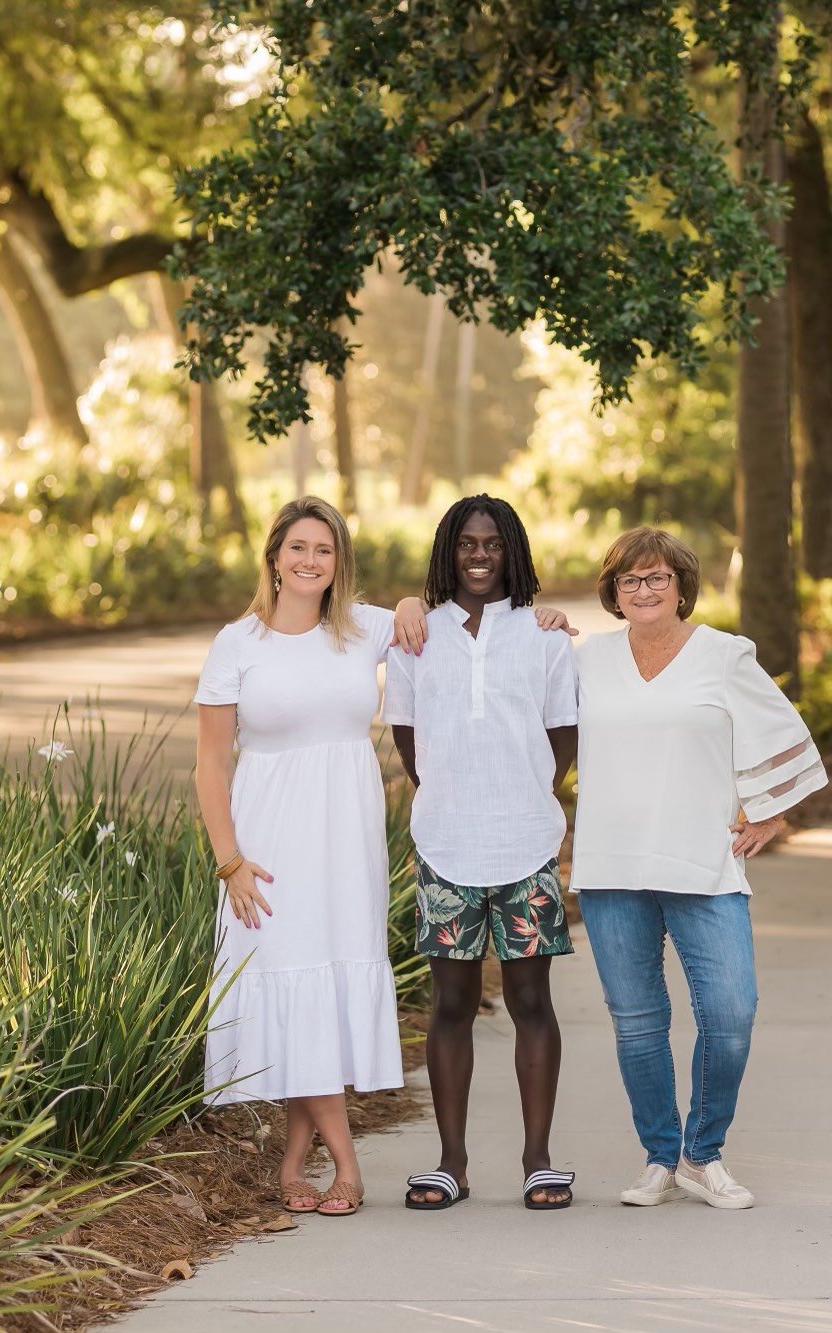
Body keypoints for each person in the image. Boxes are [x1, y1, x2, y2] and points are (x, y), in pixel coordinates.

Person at [194, 496, 570, 1217]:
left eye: (325, 549)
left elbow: (440, 619)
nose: (310, 561)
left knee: (323, 987)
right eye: (298, 547)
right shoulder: (236, 643)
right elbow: (210, 765)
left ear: (340, 561)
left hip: (344, 839)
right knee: (289, 973)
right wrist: (230, 860)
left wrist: (539, 614)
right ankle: (347, 1162)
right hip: (267, 846)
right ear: (274, 556)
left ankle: (295, 1159)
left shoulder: (366, 629)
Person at [570, 527, 828, 1211]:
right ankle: (661, 1155)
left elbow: (782, 729)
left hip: (702, 859)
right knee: (637, 1021)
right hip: (612, 863)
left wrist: (771, 812)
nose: (644, 589)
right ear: (613, 591)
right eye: (630, 580)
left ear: (681, 584)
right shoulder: (587, 659)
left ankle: (702, 1151)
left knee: (731, 1013)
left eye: (657, 577)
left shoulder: (723, 654)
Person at [384, 495, 580, 1212]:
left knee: (531, 1000)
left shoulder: (544, 636)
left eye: (492, 543)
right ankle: (451, 1163)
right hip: (446, 844)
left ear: (511, 551)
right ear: (448, 550)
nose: (478, 554)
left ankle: (538, 1161)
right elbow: (407, 734)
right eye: (466, 543)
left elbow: (563, 732)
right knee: (451, 1003)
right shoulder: (416, 636)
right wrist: (449, 793)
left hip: (526, 843)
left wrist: (528, 794)